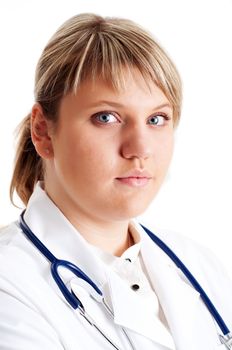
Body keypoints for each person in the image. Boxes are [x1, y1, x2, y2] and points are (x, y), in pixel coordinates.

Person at [0, 13, 231, 350]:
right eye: (105, 117)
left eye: (156, 119)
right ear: (43, 131)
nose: (140, 149)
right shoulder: (11, 284)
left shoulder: (198, 264)